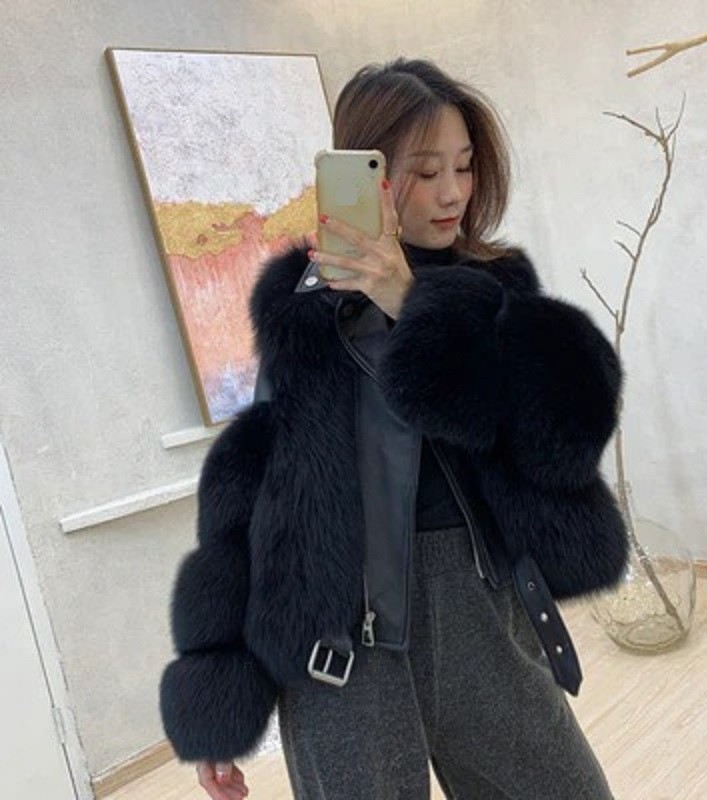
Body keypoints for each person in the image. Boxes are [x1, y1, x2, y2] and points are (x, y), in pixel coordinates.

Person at [160, 58, 629, 800]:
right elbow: (254, 496)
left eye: (464, 167)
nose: (453, 192)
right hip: (337, 638)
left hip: (475, 606)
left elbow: (566, 433)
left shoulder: (493, 289)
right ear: (369, 174)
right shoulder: (302, 310)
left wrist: (410, 300)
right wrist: (220, 702)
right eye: (426, 171)